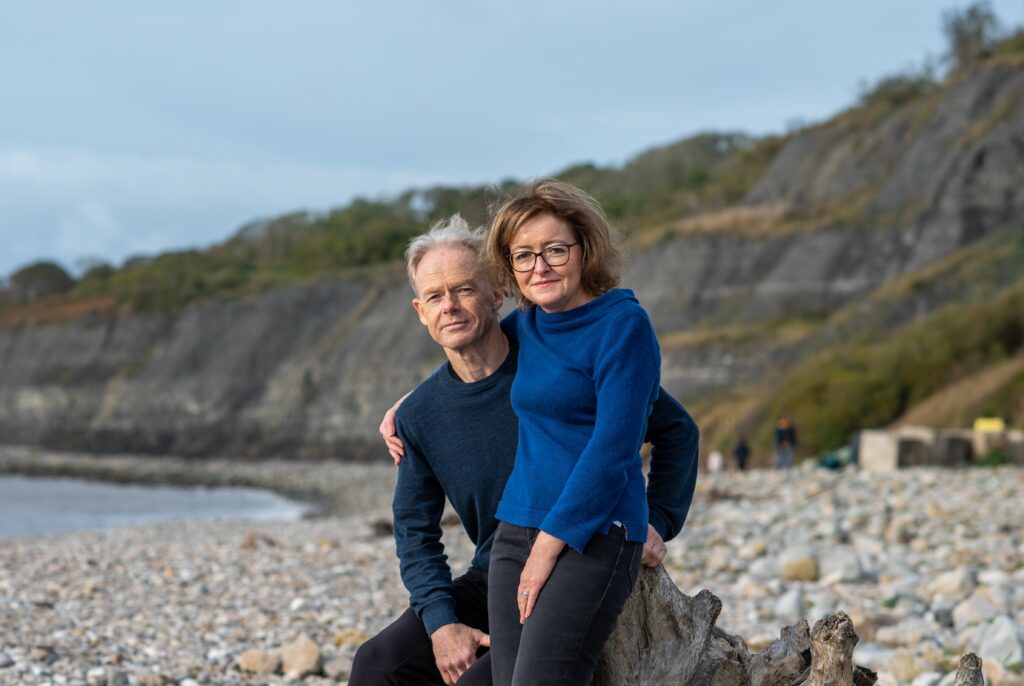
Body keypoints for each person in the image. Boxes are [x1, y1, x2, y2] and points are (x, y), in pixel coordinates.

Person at [349, 215, 699, 686]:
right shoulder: (419, 415)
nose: (450, 307)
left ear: (497, 293)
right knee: (377, 665)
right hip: (497, 570)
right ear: (420, 311)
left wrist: (656, 521)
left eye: (465, 290)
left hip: (578, 553)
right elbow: (414, 531)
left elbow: (674, 430)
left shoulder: (553, 359)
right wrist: (442, 623)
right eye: (435, 296)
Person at [483, 179, 662, 685]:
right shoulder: (528, 326)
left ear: (584, 250)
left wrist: (547, 548)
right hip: (515, 527)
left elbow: (614, 447)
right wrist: (408, 404)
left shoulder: (623, 326)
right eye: (523, 256)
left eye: (554, 250)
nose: (539, 266)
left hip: (597, 533)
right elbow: (471, 360)